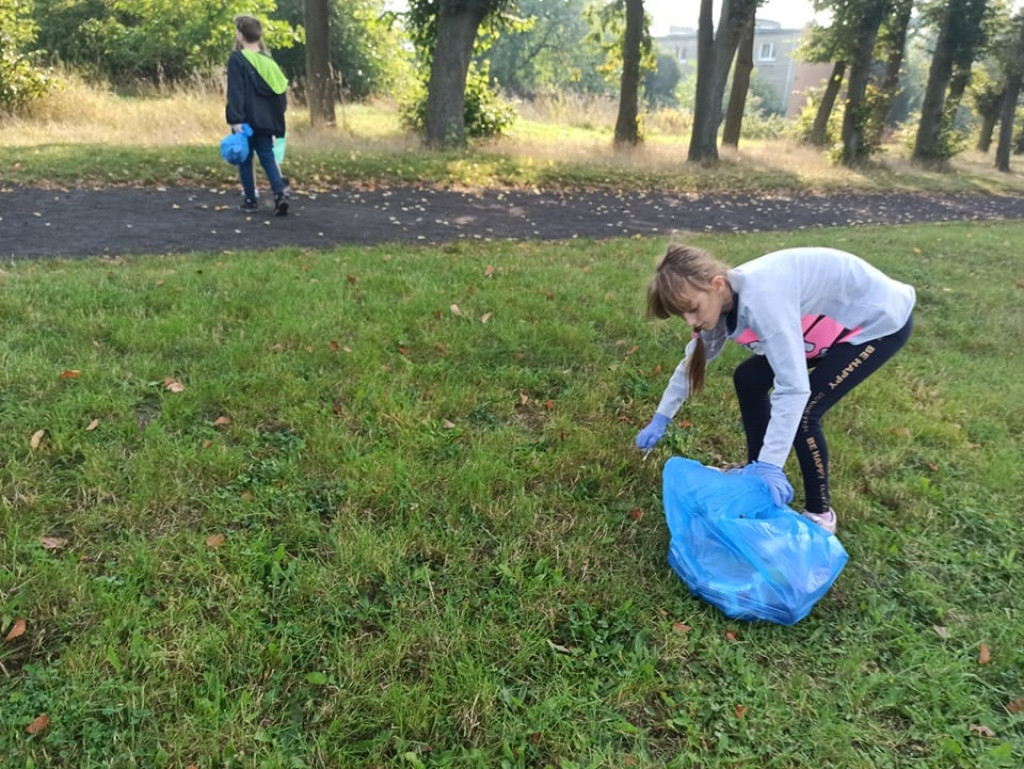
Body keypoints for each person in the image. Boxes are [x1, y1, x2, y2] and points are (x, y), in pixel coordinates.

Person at [635, 244, 916, 534]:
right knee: (748, 378)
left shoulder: (763, 301)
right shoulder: (720, 304)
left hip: (878, 322)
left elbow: (793, 388)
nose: (691, 322)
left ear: (717, 284)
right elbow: (691, 365)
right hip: (829, 322)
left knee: (804, 413)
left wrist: (772, 465)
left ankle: (820, 513)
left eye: (693, 309)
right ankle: (755, 478)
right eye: (682, 315)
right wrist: (661, 418)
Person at [226, 15, 289, 216]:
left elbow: (236, 91)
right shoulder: (269, 62)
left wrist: (235, 118)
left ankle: (250, 200)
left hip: (245, 118)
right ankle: (280, 194)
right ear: (258, 36)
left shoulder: (237, 59)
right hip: (267, 119)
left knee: (245, 158)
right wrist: (276, 117)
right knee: (267, 156)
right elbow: (280, 92)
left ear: (240, 35)